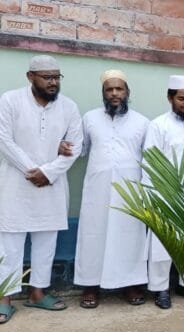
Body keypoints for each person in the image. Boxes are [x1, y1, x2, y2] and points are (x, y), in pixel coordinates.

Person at [0, 54, 83, 324]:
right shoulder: (10, 100)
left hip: (51, 185)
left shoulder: (68, 107)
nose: (53, 82)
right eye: (47, 77)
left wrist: (49, 172)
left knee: (46, 240)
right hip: (16, 183)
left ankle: (38, 293)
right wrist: (33, 170)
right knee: (10, 242)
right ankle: (4, 297)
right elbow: (2, 139)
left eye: (56, 77)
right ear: (31, 77)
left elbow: (74, 146)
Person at [74, 70, 149, 308]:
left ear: (127, 92)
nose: (114, 93)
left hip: (131, 191)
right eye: (109, 89)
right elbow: (81, 149)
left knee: (129, 235)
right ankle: (90, 285)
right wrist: (64, 148)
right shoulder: (89, 119)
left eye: (119, 89)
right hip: (97, 189)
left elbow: (149, 158)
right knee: (93, 235)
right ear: (103, 93)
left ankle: (131, 284)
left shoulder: (142, 122)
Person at [143, 75, 184, 309]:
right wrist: (150, 198)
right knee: (163, 245)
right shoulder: (158, 125)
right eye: (181, 98)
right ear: (170, 98)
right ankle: (161, 289)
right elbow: (150, 162)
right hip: (166, 193)